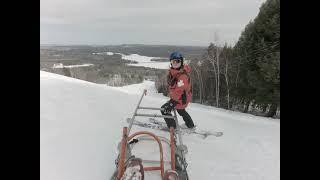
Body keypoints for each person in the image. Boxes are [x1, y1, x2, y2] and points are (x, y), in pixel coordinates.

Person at [160, 51, 195, 130]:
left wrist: (172, 102)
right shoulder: (174, 73)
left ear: (181, 62)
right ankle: (190, 125)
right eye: (173, 61)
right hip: (179, 98)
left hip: (180, 99)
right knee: (181, 111)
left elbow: (179, 90)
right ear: (171, 63)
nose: (175, 63)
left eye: (177, 61)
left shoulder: (182, 76)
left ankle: (172, 127)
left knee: (164, 109)